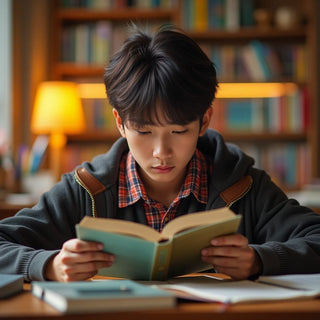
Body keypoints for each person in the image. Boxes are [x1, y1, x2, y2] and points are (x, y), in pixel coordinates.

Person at [1, 25, 320, 282]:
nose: (161, 152)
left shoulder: (244, 185)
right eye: (144, 131)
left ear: (204, 120)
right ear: (120, 123)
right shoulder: (84, 190)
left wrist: (258, 260)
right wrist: (48, 265)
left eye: (179, 131)